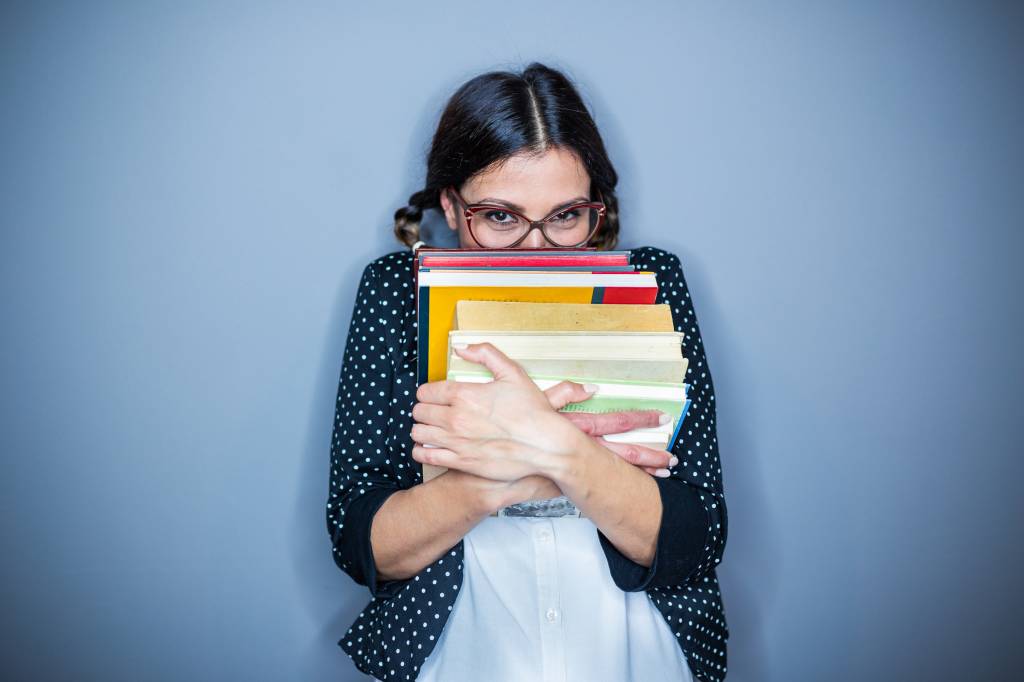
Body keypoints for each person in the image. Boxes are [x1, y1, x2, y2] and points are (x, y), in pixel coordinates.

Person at [326, 63, 728, 682]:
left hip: (629, 638)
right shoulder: (393, 293)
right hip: (462, 638)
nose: (538, 251)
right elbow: (366, 546)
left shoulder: (651, 283)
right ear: (453, 209)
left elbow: (695, 539)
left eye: (566, 216)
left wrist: (550, 449)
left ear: (596, 206)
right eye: (502, 218)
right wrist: (529, 471)